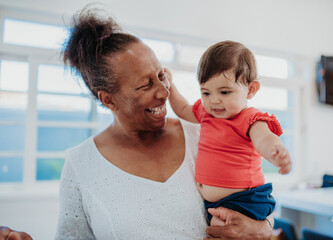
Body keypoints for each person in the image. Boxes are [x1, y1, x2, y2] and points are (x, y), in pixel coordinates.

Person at [0, 8, 274, 240]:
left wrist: (262, 229)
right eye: (145, 85)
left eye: (160, 75)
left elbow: (258, 203)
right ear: (109, 100)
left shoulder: (203, 134)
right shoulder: (80, 165)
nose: (164, 92)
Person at [168, 40, 292, 226]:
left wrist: (275, 150)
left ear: (251, 90)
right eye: (206, 93)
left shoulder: (250, 118)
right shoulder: (205, 113)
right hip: (215, 203)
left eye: (224, 92)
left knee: (220, 230)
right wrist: (170, 87)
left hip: (244, 201)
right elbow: (183, 109)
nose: (214, 100)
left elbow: (264, 137)